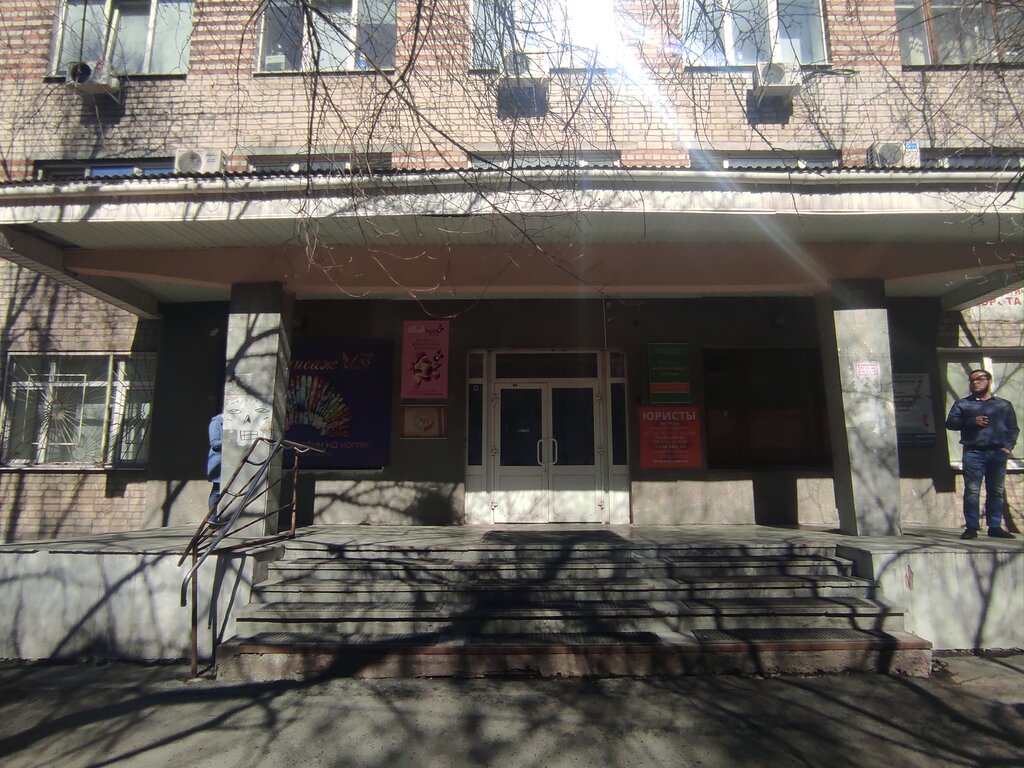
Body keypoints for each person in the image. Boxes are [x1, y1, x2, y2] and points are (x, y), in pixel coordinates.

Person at [944, 370, 1018, 539]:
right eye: (971, 380)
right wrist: (972, 421)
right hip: (973, 452)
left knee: (996, 490)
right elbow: (950, 423)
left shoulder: (1003, 405)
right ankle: (971, 528)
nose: (975, 382)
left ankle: (994, 527)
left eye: (979, 379)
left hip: (997, 453)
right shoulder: (963, 404)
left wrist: (1008, 447)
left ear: (989, 381)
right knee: (972, 490)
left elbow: (1013, 428)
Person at [206, 413, 224, 525]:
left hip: (226, 460)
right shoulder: (216, 423)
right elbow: (214, 443)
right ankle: (212, 518)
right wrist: (229, 438)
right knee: (217, 490)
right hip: (218, 461)